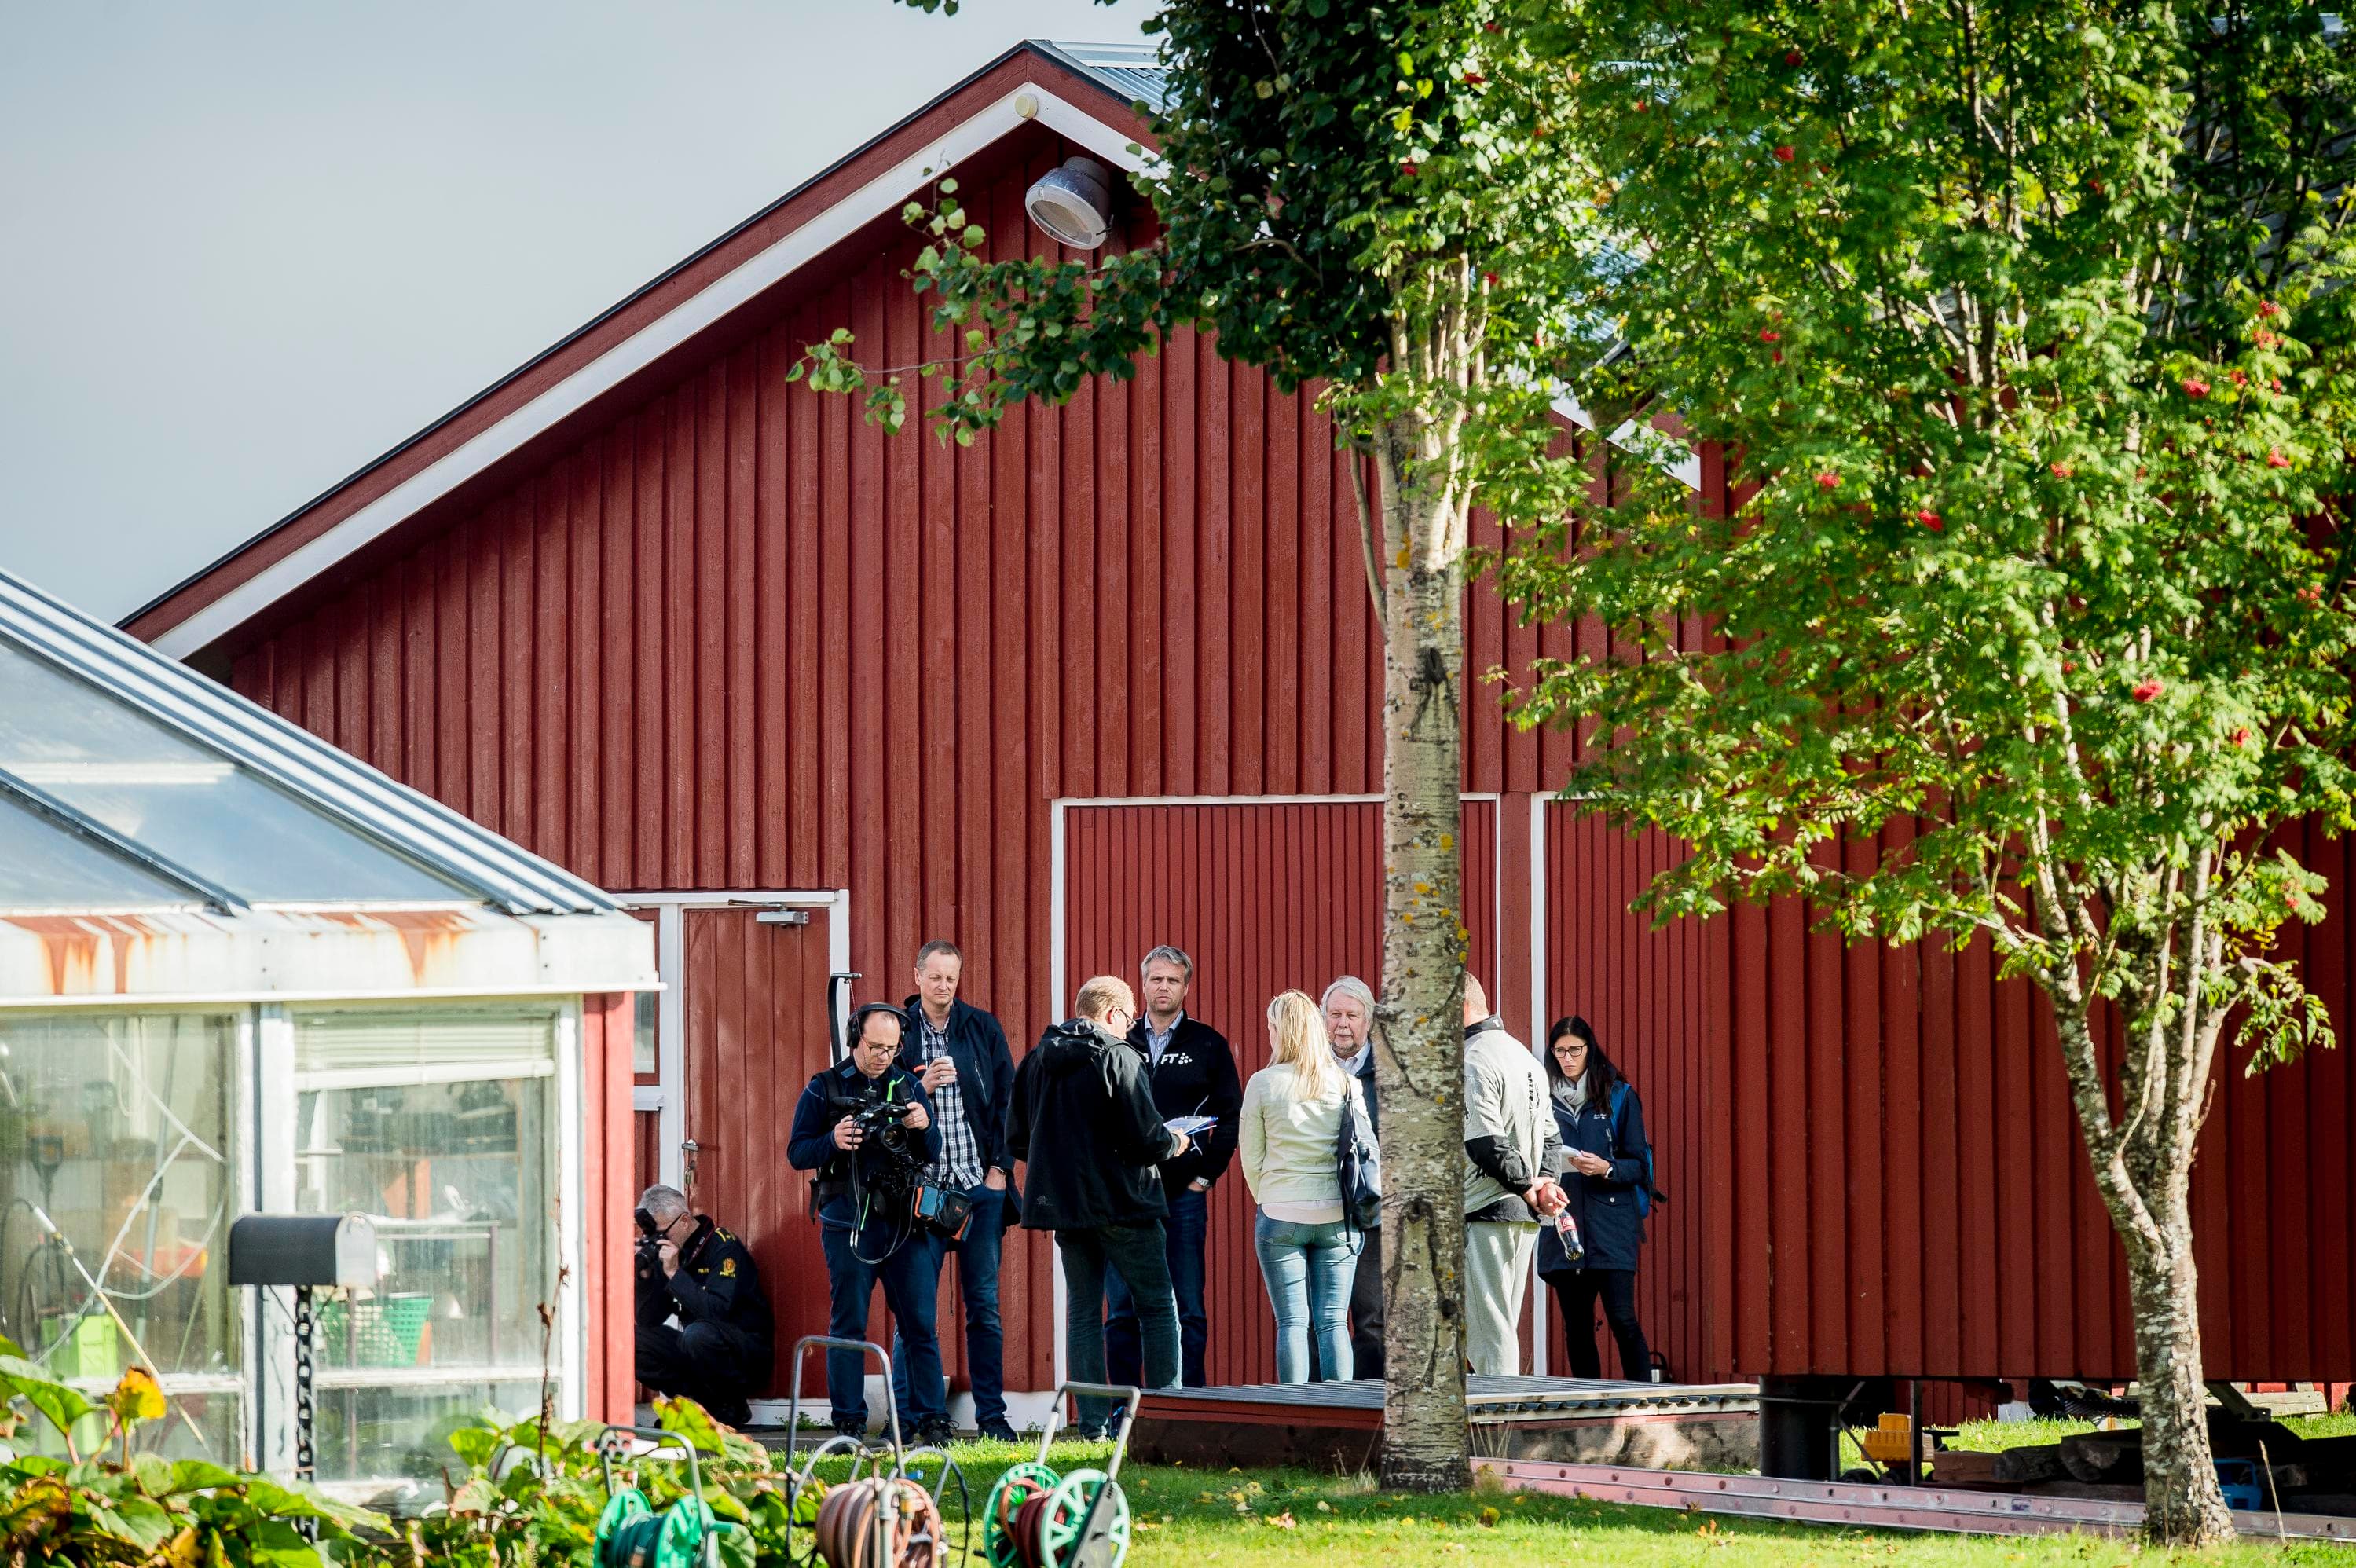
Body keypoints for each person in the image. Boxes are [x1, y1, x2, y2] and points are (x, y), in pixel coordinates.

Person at [1008, 975, 1193, 1434]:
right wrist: (1175, 1141)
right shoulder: (1119, 1056)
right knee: (1157, 1307)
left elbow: (1017, 1138)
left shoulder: (1036, 1060)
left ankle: (1092, 1426)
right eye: (1129, 1019)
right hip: (1125, 1203)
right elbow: (1146, 1138)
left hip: (1066, 1208)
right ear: (1113, 1014)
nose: (1131, 1027)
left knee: (1085, 1313)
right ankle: (1165, 1420)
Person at [786, 1003, 953, 1445]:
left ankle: (933, 1421)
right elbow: (797, 1152)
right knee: (849, 1323)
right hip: (849, 1223)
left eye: (891, 1048)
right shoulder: (824, 1087)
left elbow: (932, 1151)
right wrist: (833, 1140)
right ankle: (849, 1424)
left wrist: (923, 1124)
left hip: (904, 1224)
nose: (883, 1056)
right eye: (875, 1047)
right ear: (854, 1039)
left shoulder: (908, 1084)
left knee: (920, 1324)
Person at [890, 940, 1021, 1442]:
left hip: (976, 1187)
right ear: (917, 976)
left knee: (984, 1308)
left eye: (952, 977)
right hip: (920, 1193)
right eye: (936, 976)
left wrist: (999, 1169)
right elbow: (880, 1101)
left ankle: (992, 1417)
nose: (944, 986)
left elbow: (1010, 1101)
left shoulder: (981, 1027)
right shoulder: (897, 1031)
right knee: (914, 1312)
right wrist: (921, 1087)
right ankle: (910, 1419)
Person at [1108, 944, 1241, 1389]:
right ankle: (1123, 1409)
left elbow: (1231, 1116)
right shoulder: (1121, 1040)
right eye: (1155, 979)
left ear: (1186, 987)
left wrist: (1204, 1178)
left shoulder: (1208, 1044)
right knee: (1122, 1310)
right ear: (1143, 985)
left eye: (1172, 980)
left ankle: (1190, 1408)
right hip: (1126, 1195)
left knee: (1188, 1308)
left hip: (1183, 1196)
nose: (1163, 987)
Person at [1238, 990, 1369, 1384]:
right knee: (1334, 1322)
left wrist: (1269, 1198)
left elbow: (1251, 1157)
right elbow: (1363, 1150)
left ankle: (1293, 1410)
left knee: (1292, 1322)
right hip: (1336, 1216)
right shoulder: (1346, 1083)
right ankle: (1343, 1410)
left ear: (1281, 1031)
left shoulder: (1263, 1083)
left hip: (1280, 1212)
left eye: (1271, 1028)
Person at [1537, 1015, 1657, 1381]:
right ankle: (1587, 1402)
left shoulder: (1618, 1094)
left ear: (1590, 1049)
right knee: (1577, 1325)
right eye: (1560, 1051)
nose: (1567, 1058)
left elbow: (1640, 1166)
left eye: (1575, 1050)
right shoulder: (1540, 1097)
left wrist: (1606, 1168)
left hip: (1612, 1224)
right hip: (1564, 1222)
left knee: (1622, 1317)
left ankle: (1643, 1397)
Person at [1460, 973, 1567, 1377]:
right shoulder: (1524, 1057)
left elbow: (1485, 1142)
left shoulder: (1472, 1060)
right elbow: (1552, 1138)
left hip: (1483, 1208)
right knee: (1499, 1323)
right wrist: (1545, 1184)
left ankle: (1501, 1415)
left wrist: (1527, 1188)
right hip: (1520, 1215)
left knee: (1489, 1333)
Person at [633, 1184, 775, 1427]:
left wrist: (675, 1274)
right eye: (652, 1235)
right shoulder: (670, 1250)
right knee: (631, 1341)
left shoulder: (723, 1246)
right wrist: (646, 1278)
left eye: (662, 1233)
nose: (658, 1240)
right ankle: (700, 1408)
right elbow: (649, 1320)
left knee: (698, 1336)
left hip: (743, 1350)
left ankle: (731, 1407)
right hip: (697, 1346)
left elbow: (716, 1312)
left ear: (684, 1220)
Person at [1321, 974, 1383, 1379]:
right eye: (1335, 1014)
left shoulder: (1390, 1074)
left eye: (1352, 1015)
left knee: (1372, 1318)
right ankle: (1315, 1404)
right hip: (1320, 1208)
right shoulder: (1309, 1069)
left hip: (1372, 1210)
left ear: (1369, 1021)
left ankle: (1370, 1405)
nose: (1342, 1024)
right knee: (1318, 1318)